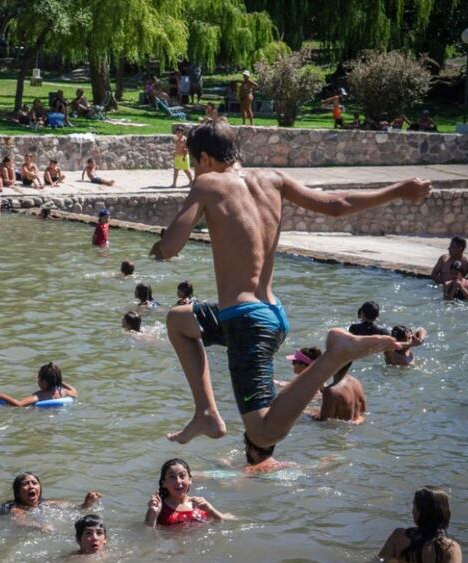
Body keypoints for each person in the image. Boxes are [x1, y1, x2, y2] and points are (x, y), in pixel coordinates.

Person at [149, 119, 425, 449]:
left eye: (195, 163)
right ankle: (206, 411)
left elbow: (172, 245)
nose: (197, 170)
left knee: (263, 432)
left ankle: (334, 355)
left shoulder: (208, 183)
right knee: (179, 320)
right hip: (269, 313)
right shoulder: (274, 179)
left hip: (247, 321)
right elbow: (337, 205)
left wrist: (159, 249)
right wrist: (399, 191)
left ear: (205, 158)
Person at [378, 487, 468, 563]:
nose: (412, 511)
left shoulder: (398, 536)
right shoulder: (449, 548)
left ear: (420, 512)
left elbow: (379, 562)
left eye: (414, 506)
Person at [0, 472, 100, 531]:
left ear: (40, 488)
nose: (31, 486)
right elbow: (20, 522)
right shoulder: (15, 508)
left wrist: (86, 503)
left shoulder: (44, 503)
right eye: (26, 484)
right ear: (18, 492)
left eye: (34, 483)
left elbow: (75, 507)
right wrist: (39, 527)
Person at [288, 348, 367, 424]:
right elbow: (362, 412)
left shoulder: (331, 391)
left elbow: (325, 422)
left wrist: (306, 413)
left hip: (336, 433)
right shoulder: (356, 382)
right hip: (349, 433)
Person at [145, 458, 227, 528]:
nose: (178, 481)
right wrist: (153, 514)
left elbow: (224, 522)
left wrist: (210, 509)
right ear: (164, 483)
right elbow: (147, 536)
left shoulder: (199, 504)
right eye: (172, 477)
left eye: (182, 476)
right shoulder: (158, 507)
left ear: (190, 480)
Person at [0, 362, 78, 407]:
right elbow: (75, 392)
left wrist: (1, 396)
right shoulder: (63, 392)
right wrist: (59, 381)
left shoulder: (40, 395)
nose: (37, 381)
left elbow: (19, 404)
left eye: (38, 378)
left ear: (44, 382)